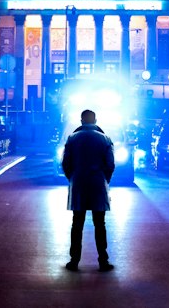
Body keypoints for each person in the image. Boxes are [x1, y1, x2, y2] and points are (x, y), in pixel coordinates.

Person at [61, 108, 115, 272]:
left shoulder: (72, 138)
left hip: (78, 183)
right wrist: (105, 179)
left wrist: (72, 177)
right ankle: (103, 260)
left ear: (81, 120)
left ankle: (74, 260)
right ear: (95, 120)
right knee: (100, 224)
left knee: (77, 223)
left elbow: (65, 163)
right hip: (98, 183)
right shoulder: (105, 139)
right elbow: (110, 164)